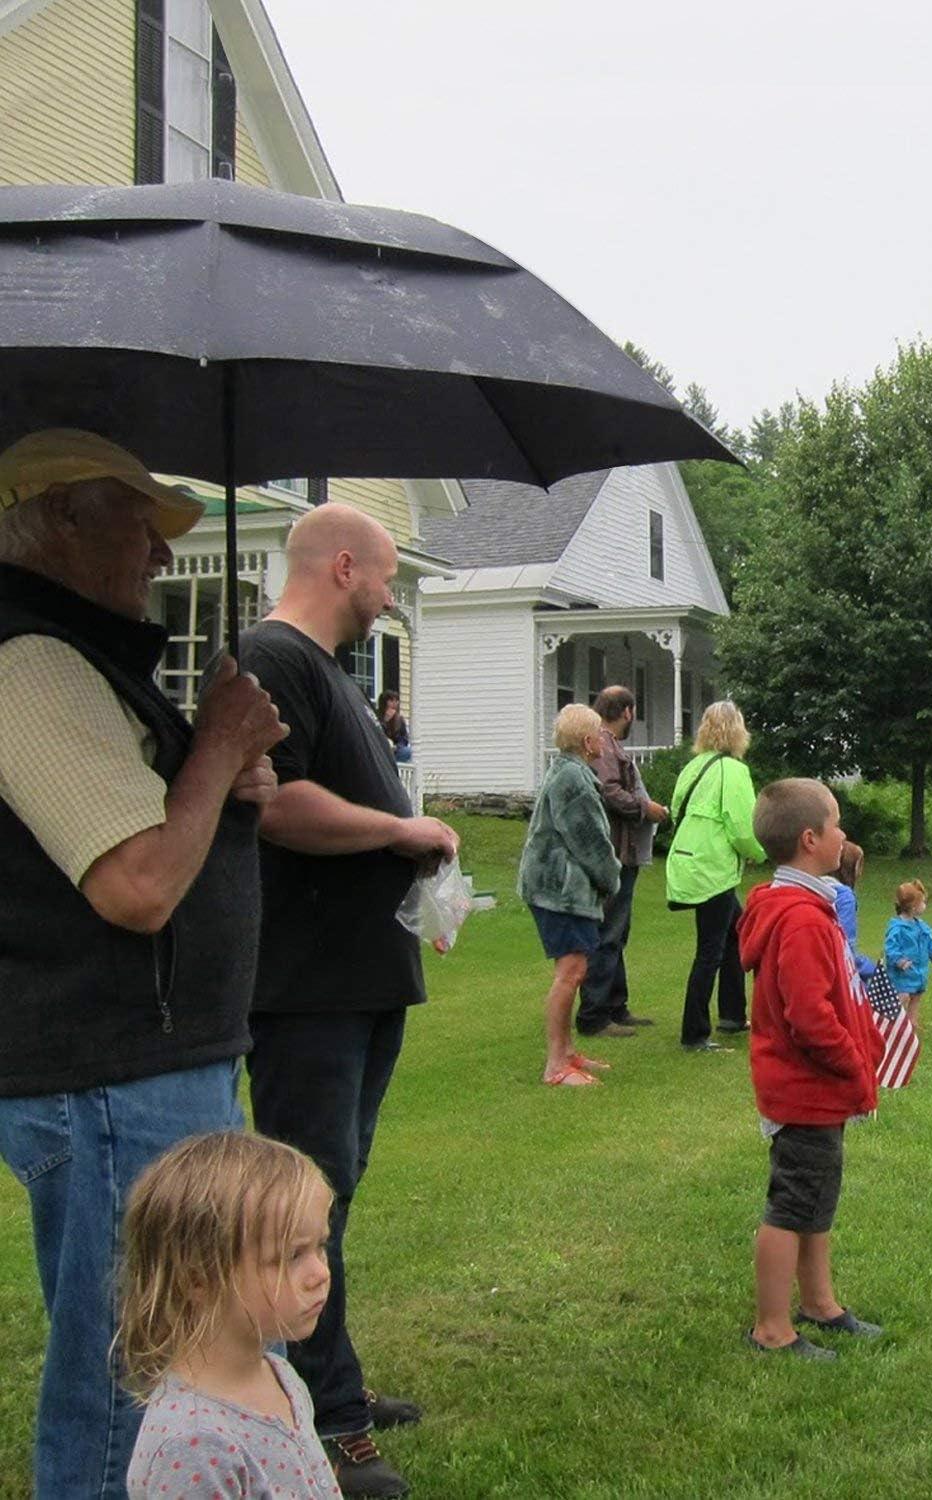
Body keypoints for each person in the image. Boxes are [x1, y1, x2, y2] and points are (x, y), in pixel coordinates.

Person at [0, 429, 288, 1500]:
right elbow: (135, 886)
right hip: (113, 1079)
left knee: (193, 1351)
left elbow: (164, 826)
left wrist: (224, 783)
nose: (161, 559)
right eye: (138, 524)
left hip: (152, 1066)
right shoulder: (28, 661)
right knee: (140, 1381)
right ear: (59, 519)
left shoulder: (80, 661)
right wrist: (214, 746)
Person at [238, 503, 459, 1499]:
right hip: (306, 988)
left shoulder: (332, 670)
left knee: (332, 1199)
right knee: (300, 1207)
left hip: (361, 983)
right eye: (381, 581)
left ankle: (332, 1385)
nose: (386, 596)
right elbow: (274, 803)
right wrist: (401, 832)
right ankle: (324, 1422)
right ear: (340, 566)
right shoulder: (272, 657)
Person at [737, 778, 884, 1359]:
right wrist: (855, 1069)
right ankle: (771, 1328)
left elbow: (839, 995)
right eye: (837, 823)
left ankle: (819, 1303)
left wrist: (866, 1042)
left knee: (817, 1200)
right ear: (809, 838)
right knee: (791, 1206)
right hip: (805, 1090)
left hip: (816, 1090)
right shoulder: (799, 919)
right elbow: (809, 1017)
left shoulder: (808, 907)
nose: (844, 834)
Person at [120, 1131, 341, 1499]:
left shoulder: (279, 1374)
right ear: (198, 1279)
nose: (321, 1273)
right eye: (291, 1256)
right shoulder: (193, 1445)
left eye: (320, 1246)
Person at [518, 703, 622, 1085]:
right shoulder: (573, 780)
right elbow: (590, 841)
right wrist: (612, 879)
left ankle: (567, 1052)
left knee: (574, 971)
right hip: (558, 891)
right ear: (587, 740)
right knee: (570, 972)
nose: (605, 741)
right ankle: (556, 1065)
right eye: (600, 733)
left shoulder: (571, 773)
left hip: (559, 889)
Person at [665, 700, 766, 1052]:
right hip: (714, 869)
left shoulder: (693, 766)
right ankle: (694, 1033)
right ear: (738, 731)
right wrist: (759, 853)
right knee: (709, 949)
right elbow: (742, 825)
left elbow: (676, 808)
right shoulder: (734, 771)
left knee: (734, 934)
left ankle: (732, 1015)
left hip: (692, 863)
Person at [577, 685, 668, 1038]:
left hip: (623, 851)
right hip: (613, 852)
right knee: (608, 932)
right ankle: (594, 1015)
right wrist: (647, 809)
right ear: (627, 711)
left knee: (617, 931)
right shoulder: (603, 745)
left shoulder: (609, 745)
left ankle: (616, 1005)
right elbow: (609, 791)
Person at [884, 881, 932, 1029]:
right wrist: (899, 961)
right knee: (902, 996)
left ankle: (911, 1023)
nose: (924, 905)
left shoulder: (921, 926)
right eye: (923, 902)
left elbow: (930, 942)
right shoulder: (897, 928)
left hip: (919, 972)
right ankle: (889, 1022)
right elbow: (890, 947)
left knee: (916, 997)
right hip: (903, 973)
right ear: (913, 906)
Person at [832, 840, 877, 982]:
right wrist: (870, 968)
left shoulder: (819, 887)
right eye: (859, 865)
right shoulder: (845, 896)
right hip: (840, 969)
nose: (860, 872)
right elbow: (845, 942)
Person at [377, 689, 412, 763]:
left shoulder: (400, 719)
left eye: (396, 701)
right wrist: (385, 721)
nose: (394, 703)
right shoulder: (377, 716)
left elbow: (404, 739)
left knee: (407, 751)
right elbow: (376, 733)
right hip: (380, 749)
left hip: (395, 751)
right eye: (391, 701)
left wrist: (397, 747)